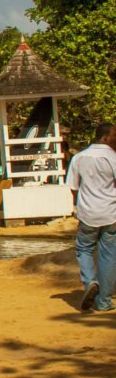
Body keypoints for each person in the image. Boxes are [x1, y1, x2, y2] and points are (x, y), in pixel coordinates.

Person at [66, 123, 116, 313]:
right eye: (114, 136)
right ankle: (103, 301)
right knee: (109, 256)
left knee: (84, 250)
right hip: (111, 214)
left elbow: (73, 187)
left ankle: (90, 281)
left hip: (87, 214)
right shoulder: (113, 158)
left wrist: (79, 206)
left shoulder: (79, 158)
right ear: (105, 137)